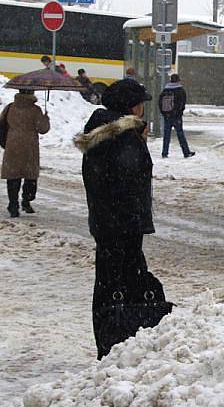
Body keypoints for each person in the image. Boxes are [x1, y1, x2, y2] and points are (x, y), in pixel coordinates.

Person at [74, 79, 171, 359]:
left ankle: (113, 338)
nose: (143, 108)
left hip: (108, 224)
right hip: (123, 226)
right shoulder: (122, 138)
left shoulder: (104, 136)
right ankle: (118, 341)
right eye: (141, 102)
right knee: (123, 283)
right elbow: (127, 182)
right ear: (130, 106)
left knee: (109, 283)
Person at [0, 90, 50, 217]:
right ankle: (26, 201)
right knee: (30, 175)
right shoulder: (35, 110)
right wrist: (45, 119)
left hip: (12, 144)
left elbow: (2, 122)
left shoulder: (10, 107)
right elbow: (43, 129)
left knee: (13, 175)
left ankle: (13, 205)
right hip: (29, 146)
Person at [158, 73, 194, 159]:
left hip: (167, 116)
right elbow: (182, 103)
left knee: (166, 135)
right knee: (180, 134)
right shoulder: (180, 90)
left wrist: (164, 113)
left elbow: (160, 103)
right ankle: (186, 152)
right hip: (176, 117)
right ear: (178, 80)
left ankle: (164, 152)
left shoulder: (165, 90)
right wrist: (179, 112)